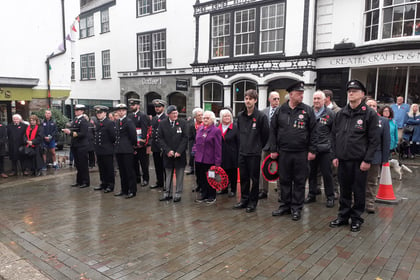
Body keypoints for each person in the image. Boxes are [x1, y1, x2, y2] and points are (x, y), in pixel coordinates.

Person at [329, 80, 379, 232]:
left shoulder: (369, 114)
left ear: (362, 94)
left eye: (355, 91)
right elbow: (334, 136)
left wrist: (367, 159)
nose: (351, 93)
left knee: (358, 191)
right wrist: (335, 155)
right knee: (344, 190)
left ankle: (356, 218)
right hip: (343, 159)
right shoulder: (341, 113)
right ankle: (343, 216)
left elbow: (374, 140)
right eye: (349, 90)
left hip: (359, 161)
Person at [270, 81, 316, 221]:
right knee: (284, 180)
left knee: (299, 181)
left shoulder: (307, 110)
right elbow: (273, 130)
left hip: (301, 152)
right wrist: (273, 149)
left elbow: (314, 131)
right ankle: (285, 205)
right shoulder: (280, 110)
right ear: (291, 95)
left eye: (302, 93)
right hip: (284, 152)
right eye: (299, 93)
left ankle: (296, 208)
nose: (302, 95)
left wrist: (312, 150)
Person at [233, 89, 269, 213]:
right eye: (246, 98)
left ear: (255, 100)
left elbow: (265, 135)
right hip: (242, 152)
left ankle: (253, 202)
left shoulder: (261, 116)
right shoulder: (240, 116)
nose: (248, 101)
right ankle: (244, 199)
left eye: (250, 99)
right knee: (243, 178)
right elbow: (238, 133)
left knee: (254, 179)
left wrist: (258, 146)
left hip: (254, 153)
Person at [304, 90, 335, 208]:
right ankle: (311, 194)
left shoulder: (331, 114)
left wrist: (331, 148)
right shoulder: (308, 112)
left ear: (324, 100)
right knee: (311, 173)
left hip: (325, 150)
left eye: (319, 99)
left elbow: (334, 133)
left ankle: (330, 197)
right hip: (311, 149)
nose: (316, 101)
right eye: (315, 98)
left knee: (327, 174)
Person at [158, 105, 188, 202]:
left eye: (176, 113)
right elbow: (160, 138)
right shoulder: (162, 124)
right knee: (168, 174)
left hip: (180, 154)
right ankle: (167, 193)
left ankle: (178, 194)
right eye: (173, 113)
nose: (175, 115)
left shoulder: (183, 123)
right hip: (168, 154)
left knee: (179, 175)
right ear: (168, 114)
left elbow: (185, 138)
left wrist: (179, 151)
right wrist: (167, 150)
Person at [365, 98, 390, 214]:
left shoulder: (383, 121)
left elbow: (386, 141)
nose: (372, 107)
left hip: (375, 157)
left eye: (374, 106)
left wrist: (385, 159)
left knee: (372, 181)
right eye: (369, 105)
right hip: (360, 156)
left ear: (377, 108)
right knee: (358, 181)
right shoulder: (360, 119)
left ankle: (370, 203)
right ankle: (356, 202)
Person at [193, 111, 222, 204]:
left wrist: (217, 162)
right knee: (201, 178)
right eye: (204, 118)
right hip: (199, 159)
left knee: (210, 178)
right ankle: (203, 194)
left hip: (210, 159)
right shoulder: (200, 129)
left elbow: (218, 147)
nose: (205, 119)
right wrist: (194, 151)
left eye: (207, 118)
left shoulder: (216, 131)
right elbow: (196, 142)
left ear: (212, 119)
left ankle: (211, 196)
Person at [62, 104, 90, 188]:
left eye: (78, 110)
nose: (76, 112)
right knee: (77, 164)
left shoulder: (83, 120)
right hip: (75, 145)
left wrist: (70, 132)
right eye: (75, 110)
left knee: (83, 164)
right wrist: (68, 131)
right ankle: (79, 181)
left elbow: (83, 133)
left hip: (82, 145)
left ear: (82, 111)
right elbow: (74, 129)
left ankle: (85, 181)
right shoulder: (75, 120)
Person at [259, 91, 280, 199]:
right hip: (265, 145)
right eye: (274, 99)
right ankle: (263, 190)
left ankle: (280, 191)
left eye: (278, 99)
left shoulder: (283, 112)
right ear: (269, 99)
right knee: (263, 167)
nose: (276, 101)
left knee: (279, 168)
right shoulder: (263, 112)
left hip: (279, 145)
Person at [114, 103, 138, 198]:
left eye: (122, 110)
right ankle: (124, 189)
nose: (120, 112)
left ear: (125, 111)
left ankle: (132, 190)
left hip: (127, 149)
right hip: (119, 149)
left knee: (129, 171)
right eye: (119, 110)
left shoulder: (129, 121)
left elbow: (133, 135)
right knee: (122, 171)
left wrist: (133, 146)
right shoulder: (116, 122)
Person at [92, 106, 116, 193]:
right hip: (99, 150)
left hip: (107, 149)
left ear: (105, 113)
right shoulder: (98, 123)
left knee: (109, 168)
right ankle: (103, 183)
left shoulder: (109, 123)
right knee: (101, 168)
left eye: (100, 113)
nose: (98, 114)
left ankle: (110, 185)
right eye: (97, 113)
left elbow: (113, 137)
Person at [128, 98, 150, 186]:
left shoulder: (143, 115)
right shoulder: (129, 116)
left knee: (143, 162)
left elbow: (145, 128)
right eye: (131, 105)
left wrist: (142, 141)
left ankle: (145, 178)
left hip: (141, 141)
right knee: (134, 162)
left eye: (133, 105)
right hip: (133, 141)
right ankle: (137, 177)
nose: (132, 106)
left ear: (138, 106)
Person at [218, 108, 239, 197]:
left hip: (232, 155)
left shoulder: (235, 128)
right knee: (223, 172)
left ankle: (233, 189)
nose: (227, 118)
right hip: (221, 154)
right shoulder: (217, 128)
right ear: (221, 118)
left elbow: (239, 142)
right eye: (225, 116)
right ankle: (224, 188)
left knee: (232, 173)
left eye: (228, 116)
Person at [150, 99, 167, 189]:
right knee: (157, 165)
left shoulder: (165, 118)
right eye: (156, 107)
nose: (157, 108)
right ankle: (159, 181)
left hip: (162, 146)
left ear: (163, 108)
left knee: (164, 166)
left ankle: (166, 183)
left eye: (159, 107)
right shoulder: (154, 118)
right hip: (155, 146)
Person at [186, 108, 203, 176]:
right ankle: (192, 168)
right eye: (199, 115)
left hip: (202, 143)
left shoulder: (204, 123)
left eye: (202, 115)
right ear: (195, 116)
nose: (201, 117)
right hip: (193, 141)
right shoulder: (191, 123)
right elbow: (189, 135)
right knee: (192, 155)